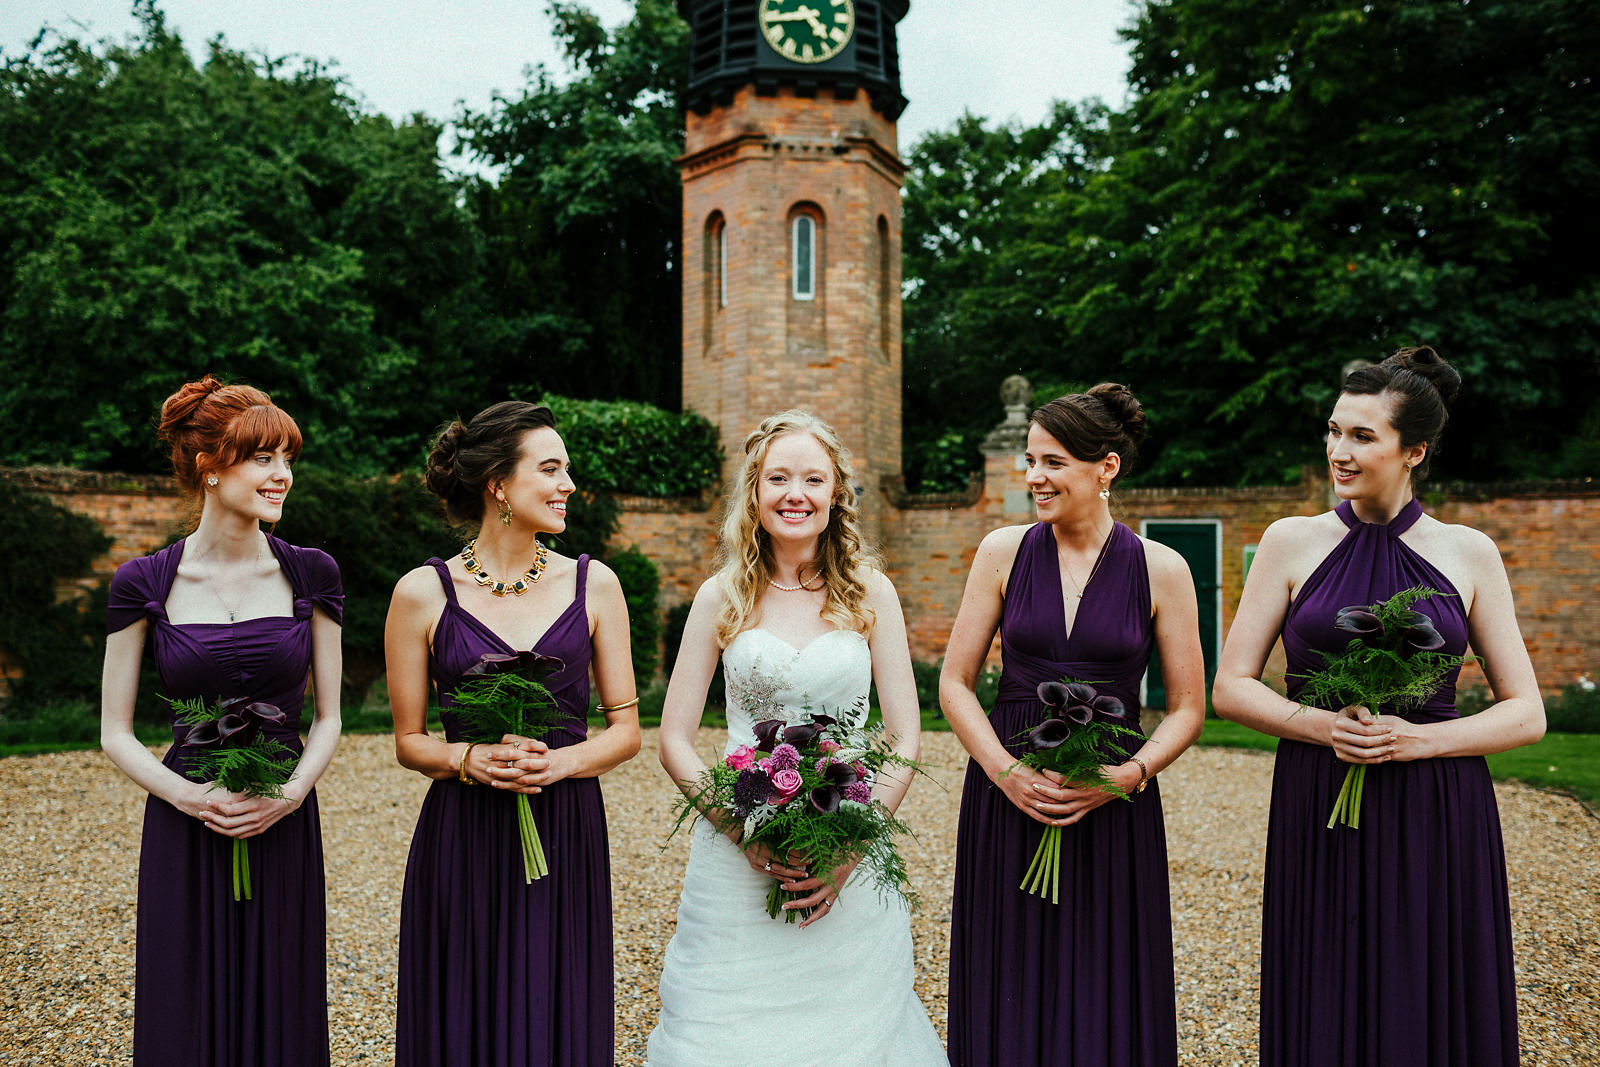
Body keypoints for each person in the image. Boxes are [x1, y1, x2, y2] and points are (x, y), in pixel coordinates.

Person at [1213, 346, 1544, 1066]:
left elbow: (1526, 711)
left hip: (1437, 805)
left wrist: (1419, 740)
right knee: (1325, 983)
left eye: (1362, 436)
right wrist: (1322, 725)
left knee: (1427, 987)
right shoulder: (1289, 541)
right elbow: (1231, 684)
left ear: (1413, 451)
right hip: (1319, 791)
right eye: (1335, 430)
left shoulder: (1468, 552)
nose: (1339, 450)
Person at [648, 410, 946, 1065]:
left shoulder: (871, 593)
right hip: (736, 854)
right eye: (778, 477)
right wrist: (741, 832)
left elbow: (904, 734)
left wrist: (851, 849)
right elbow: (673, 738)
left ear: (836, 492)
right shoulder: (720, 596)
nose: (796, 493)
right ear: (754, 490)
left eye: (814, 479)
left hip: (848, 842)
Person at [941, 383, 1204, 1067]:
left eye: (1053, 462)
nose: (1034, 476)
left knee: (1105, 976)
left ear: (1105, 467)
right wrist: (1005, 772)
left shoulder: (1162, 569)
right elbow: (954, 683)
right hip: (1009, 794)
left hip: (1111, 800)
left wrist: (1128, 774)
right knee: (1009, 969)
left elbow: (1188, 708)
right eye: (1030, 460)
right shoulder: (1002, 551)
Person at [386, 400, 640, 1066]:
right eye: (550, 469)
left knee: (557, 1001)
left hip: (564, 827)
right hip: (463, 831)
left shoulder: (595, 585)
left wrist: (561, 764)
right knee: (462, 1006)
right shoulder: (421, 592)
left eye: (566, 470)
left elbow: (626, 731)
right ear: (497, 483)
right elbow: (409, 741)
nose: (568, 485)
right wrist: (467, 757)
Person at [101, 376, 343, 1066]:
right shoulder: (143, 582)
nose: (282, 473)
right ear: (210, 467)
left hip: (283, 816)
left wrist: (288, 795)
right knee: (186, 1003)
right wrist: (189, 797)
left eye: (287, 457)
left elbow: (330, 716)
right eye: (262, 457)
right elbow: (114, 731)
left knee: (282, 995)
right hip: (186, 817)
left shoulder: (312, 573)